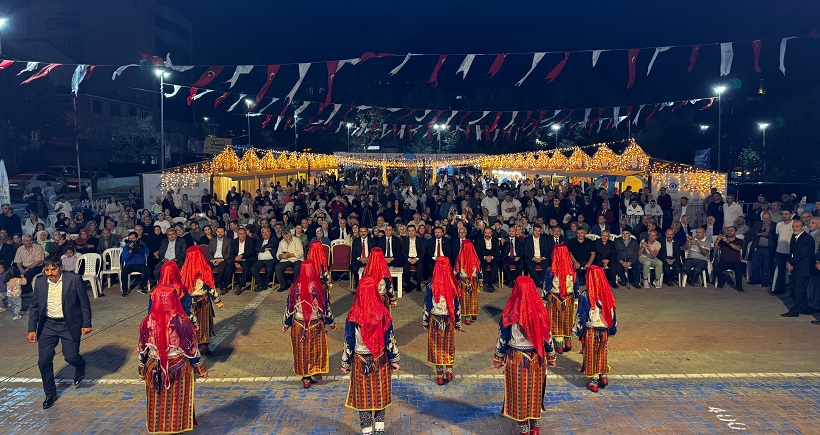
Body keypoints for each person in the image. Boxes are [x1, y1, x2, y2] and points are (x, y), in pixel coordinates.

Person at [138, 284, 207, 434]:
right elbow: (192, 348)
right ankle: (176, 428)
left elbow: (142, 348)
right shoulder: (182, 321)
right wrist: (200, 368)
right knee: (177, 401)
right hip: (179, 368)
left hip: (153, 367)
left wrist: (141, 369)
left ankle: (159, 427)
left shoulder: (147, 322)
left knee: (157, 401)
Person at [27, 256, 92, 409]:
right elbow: (35, 307)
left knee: (70, 356)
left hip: (69, 324)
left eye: (53, 269)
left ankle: (79, 364)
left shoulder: (74, 279)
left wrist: (86, 323)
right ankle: (50, 394)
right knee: (43, 361)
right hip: (47, 326)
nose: (50, 273)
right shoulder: (40, 282)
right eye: (47, 270)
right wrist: (31, 329)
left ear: (61, 267)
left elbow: (84, 304)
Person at [493, 276, 553, 435]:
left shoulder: (510, 310)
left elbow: (503, 337)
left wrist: (498, 357)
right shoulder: (541, 309)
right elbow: (547, 335)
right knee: (535, 391)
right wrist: (551, 356)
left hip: (517, 358)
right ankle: (536, 427)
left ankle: (524, 428)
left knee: (519, 393)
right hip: (537, 358)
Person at [341, 276, 401, 435]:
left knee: (363, 398)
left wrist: (345, 363)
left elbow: (349, 340)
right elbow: (390, 339)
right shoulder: (383, 312)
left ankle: (367, 431)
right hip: (380, 360)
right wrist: (394, 360)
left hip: (360, 361)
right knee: (379, 396)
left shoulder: (353, 313)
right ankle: (380, 430)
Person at [283, 259, 336, 389]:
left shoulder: (295, 288)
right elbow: (325, 308)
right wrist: (331, 322)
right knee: (315, 349)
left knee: (301, 351)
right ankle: (314, 371)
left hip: (298, 325)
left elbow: (290, 308)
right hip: (315, 324)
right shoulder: (318, 288)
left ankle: (305, 377)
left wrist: (286, 323)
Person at [574, 266, 617, 393]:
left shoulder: (585, 294)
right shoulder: (608, 293)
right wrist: (613, 328)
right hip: (604, 329)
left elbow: (581, 315)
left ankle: (594, 381)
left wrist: (578, 331)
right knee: (602, 352)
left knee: (591, 354)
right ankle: (603, 376)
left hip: (591, 329)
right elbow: (613, 312)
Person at [423, 256, 462, 385]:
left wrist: (424, 321)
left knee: (436, 347)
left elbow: (427, 305)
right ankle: (449, 371)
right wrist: (458, 322)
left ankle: (439, 375)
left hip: (435, 320)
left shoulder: (431, 286)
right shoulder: (453, 285)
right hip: (449, 320)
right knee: (449, 345)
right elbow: (457, 306)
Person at [180, 246, 223, 355]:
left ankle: (193, 346)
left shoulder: (184, 269)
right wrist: (217, 300)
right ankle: (203, 344)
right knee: (203, 323)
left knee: (191, 323)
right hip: (203, 300)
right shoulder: (205, 268)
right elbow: (210, 286)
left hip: (189, 302)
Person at [544, 244, 578, 356]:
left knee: (555, 320)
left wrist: (544, 300)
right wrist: (577, 298)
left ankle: (559, 345)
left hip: (554, 298)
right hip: (569, 298)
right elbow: (576, 285)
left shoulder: (551, 270)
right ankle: (568, 341)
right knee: (568, 319)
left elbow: (547, 286)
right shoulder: (572, 270)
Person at [782, 219, 815, 317]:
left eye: (797, 227)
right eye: (793, 226)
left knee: (798, 290)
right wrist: (791, 262)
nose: (794, 228)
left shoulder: (807, 238)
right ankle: (804, 308)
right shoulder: (794, 237)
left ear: (803, 227)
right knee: (801, 289)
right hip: (797, 267)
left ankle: (795, 311)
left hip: (804, 269)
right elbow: (792, 251)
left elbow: (802, 254)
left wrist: (790, 262)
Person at [454, 240, 482, 325]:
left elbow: (456, 271)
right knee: (473, 298)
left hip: (465, 281)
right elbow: (479, 270)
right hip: (470, 281)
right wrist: (480, 280)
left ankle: (468, 317)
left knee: (466, 299)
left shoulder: (460, 257)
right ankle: (471, 314)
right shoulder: (475, 257)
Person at [714, 227, 745, 292]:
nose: (730, 232)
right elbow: (716, 248)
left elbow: (738, 248)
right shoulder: (722, 241)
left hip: (735, 262)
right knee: (717, 270)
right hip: (724, 261)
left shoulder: (739, 241)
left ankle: (739, 286)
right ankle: (721, 281)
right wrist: (717, 240)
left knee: (739, 271)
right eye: (728, 230)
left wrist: (728, 242)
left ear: (735, 232)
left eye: (731, 231)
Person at [121, 232, 151, 296]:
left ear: (137, 238)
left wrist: (141, 245)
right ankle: (125, 290)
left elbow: (147, 252)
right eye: (130, 239)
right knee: (124, 271)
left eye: (133, 238)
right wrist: (129, 251)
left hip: (140, 264)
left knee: (148, 271)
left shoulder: (141, 244)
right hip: (129, 264)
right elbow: (124, 258)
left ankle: (141, 287)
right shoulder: (126, 246)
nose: (131, 240)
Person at [208, 227, 235, 294]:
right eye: (218, 231)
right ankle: (213, 284)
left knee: (221, 269)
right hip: (214, 259)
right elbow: (210, 252)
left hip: (223, 259)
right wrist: (212, 260)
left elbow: (228, 254)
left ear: (224, 232)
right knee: (206, 268)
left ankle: (218, 283)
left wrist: (221, 260)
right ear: (216, 232)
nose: (220, 233)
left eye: (221, 232)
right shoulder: (212, 240)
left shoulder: (228, 240)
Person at [773, 210, 795, 294]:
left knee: (793, 271)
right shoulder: (779, 225)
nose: (784, 215)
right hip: (780, 250)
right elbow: (778, 236)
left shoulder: (794, 224)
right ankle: (781, 288)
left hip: (791, 251)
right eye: (783, 214)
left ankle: (793, 291)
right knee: (781, 271)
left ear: (791, 214)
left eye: (786, 214)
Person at [251, 226, 278, 292]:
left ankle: (265, 284)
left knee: (269, 269)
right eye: (263, 232)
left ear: (270, 232)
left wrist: (263, 247)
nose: (265, 234)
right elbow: (256, 249)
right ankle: (261, 284)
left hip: (271, 259)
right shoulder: (260, 241)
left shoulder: (274, 238)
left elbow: (273, 244)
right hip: (260, 260)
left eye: (267, 232)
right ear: (261, 234)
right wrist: (265, 249)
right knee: (253, 269)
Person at [231, 228, 257, 294]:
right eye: (240, 234)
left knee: (246, 267)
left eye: (243, 234)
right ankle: (224, 286)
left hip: (247, 259)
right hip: (237, 260)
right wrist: (235, 262)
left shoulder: (251, 240)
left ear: (246, 234)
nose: (242, 235)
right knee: (229, 267)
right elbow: (232, 253)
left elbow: (251, 251)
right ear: (238, 235)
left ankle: (240, 286)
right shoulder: (234, 241)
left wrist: (242, 255)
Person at [401, 225, 424, 292]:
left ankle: (418, 284)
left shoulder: (419, 240)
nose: (411, 232)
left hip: (417, 258)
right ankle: (408, 284)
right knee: (405, 267)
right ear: (407, 232)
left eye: (412, 230)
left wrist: (416, 258)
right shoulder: (405, 240)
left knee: (420, 266)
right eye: (409, 231)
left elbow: (423, 251)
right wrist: (409, 259)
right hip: (408, 258)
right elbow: (403, 251)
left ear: (415, 231)